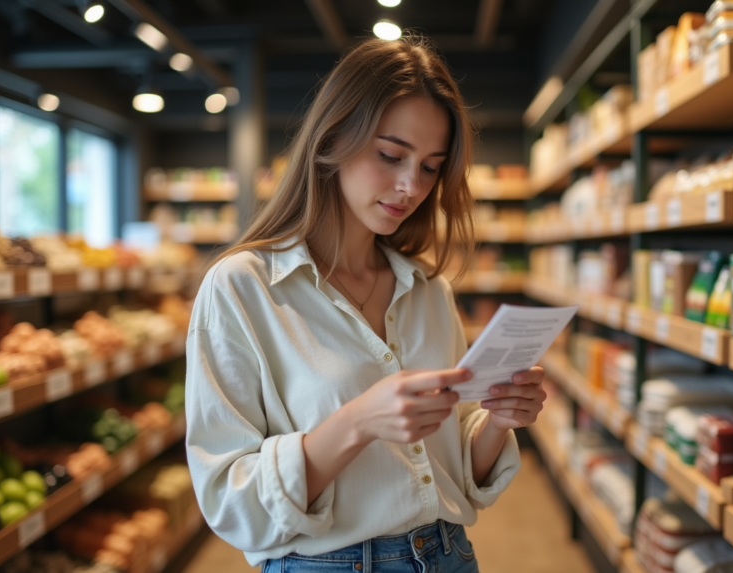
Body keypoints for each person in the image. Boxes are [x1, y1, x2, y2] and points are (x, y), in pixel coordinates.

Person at [185, 35, 547, 573]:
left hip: (448, 554)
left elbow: (454, 468)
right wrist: (356, 423)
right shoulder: (242, 287)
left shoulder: (429, 291)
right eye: (391, 156)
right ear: (334, 137)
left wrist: (498, 420)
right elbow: (228, 500)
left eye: (430, 167)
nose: (411, 186)